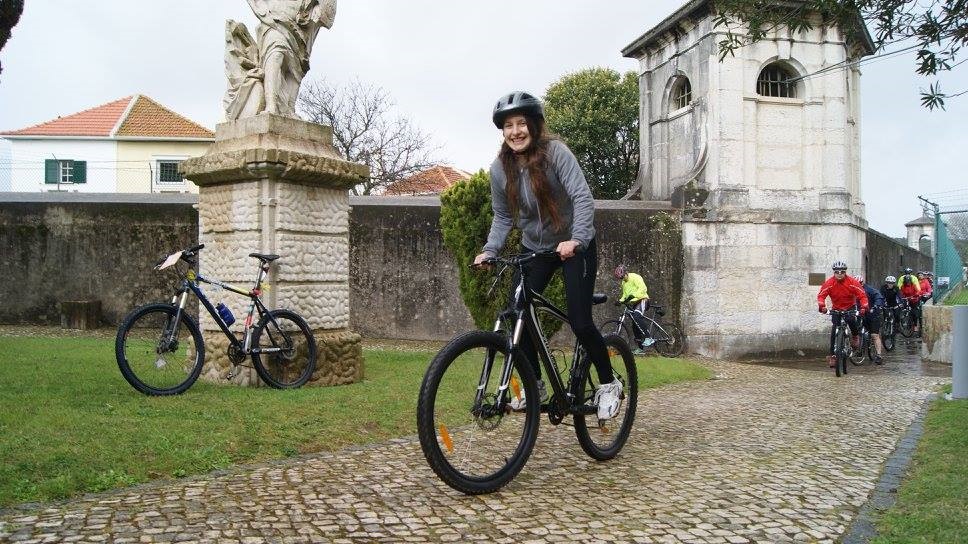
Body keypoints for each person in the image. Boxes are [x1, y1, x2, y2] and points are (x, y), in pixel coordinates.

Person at [473, 91, 622, 421]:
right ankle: (534, 385)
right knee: (517, 312)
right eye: (508, 126)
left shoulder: (556, 154)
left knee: (581, 322)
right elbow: (502, 215)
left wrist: (577, 239)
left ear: (534, 125)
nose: (515, 131)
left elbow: (582, 198)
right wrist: (490, 250)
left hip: (574, 245)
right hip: (535, 248)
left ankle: (608, 383)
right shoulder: (499, 170)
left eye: (521, 123)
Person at [817, 261, 869, 367]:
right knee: (834, 328)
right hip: (836, 308)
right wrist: (822, 306)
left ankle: (855, 336)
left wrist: (864, 307)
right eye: (837, 272)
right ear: (834, 273)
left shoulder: (852, 282)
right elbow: (821, 296)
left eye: (842, 272)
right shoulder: (829, 283)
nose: (839, 274)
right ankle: (833, 355)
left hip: (850, 307)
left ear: (845, 272)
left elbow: (862, 295)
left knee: (851, 320)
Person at [613, 264, 654, 355]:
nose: (622, 279)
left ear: (626, 273)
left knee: (637, 316)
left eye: (623, 277)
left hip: (643, 299)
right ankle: (640, 349)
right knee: (635, 325)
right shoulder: (624, 283)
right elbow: (625, 295)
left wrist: (633, 296)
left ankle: (648, 338)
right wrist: (620, 301)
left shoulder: (635, 277)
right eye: (621, 278)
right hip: (634, 303)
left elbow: (643, 289)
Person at [856, 276, 885, 365]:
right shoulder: (852, 290)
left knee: (874, 335)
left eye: (860, 284)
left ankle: (879, 355)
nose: (859, 286)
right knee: (857, 332)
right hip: (860, 313)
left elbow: (878, 297)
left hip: (872, 314)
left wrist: (876, 305)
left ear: (863, 283)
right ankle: (859, 348)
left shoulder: (869, 290)